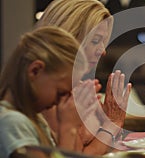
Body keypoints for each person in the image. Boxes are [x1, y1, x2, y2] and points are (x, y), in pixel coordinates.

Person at [35, 0, 132, 155]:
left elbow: (111, 149)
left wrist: (111, 124)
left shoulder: (80, 89)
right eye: (95, 41)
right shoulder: (51, 95)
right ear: (67, 37)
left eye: (103, 42)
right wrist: (112, 124)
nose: (103, 51)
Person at [0, 26, 89, 157]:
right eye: (60, 93)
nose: (60, 102)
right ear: (35, 71)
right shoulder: (13, 123)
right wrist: (68, 128)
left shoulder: (34, 119)